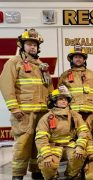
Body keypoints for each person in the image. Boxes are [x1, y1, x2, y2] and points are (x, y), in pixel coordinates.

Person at [0, 29, 53, 180]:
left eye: (35, 45)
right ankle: (18, 175)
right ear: (22, 45)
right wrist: (14, 107)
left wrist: (51, 109)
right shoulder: (14, 62)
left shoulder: (41, 66)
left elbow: (49, 88)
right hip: (24, 113)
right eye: (29, 44)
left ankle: (36, 171)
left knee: (39, 144)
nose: (32, 47)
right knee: (22, 145)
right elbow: (6, 85)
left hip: (42, 113)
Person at [35, 86, 89, 180]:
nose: (64, 101)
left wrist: (80, 146)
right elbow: (41, 138)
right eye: (60, 99)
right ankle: (52, 177)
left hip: (70, 144)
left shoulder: (75, 115)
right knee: (47, 163)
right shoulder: (46, 118)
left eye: (65, 99)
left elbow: (83, 131)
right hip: (53, 146)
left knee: (79, 155)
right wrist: (47, 155)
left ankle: (72, 175)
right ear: (54, 101)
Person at [58, 44, 93, 120]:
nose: (78, 59)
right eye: (76, 57)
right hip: (72, 113)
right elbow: (60, 95)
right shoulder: (64, 76)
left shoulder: (92, 75)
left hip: (91, 113)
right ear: (71, 59)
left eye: (80, 57)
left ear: (84, 59)